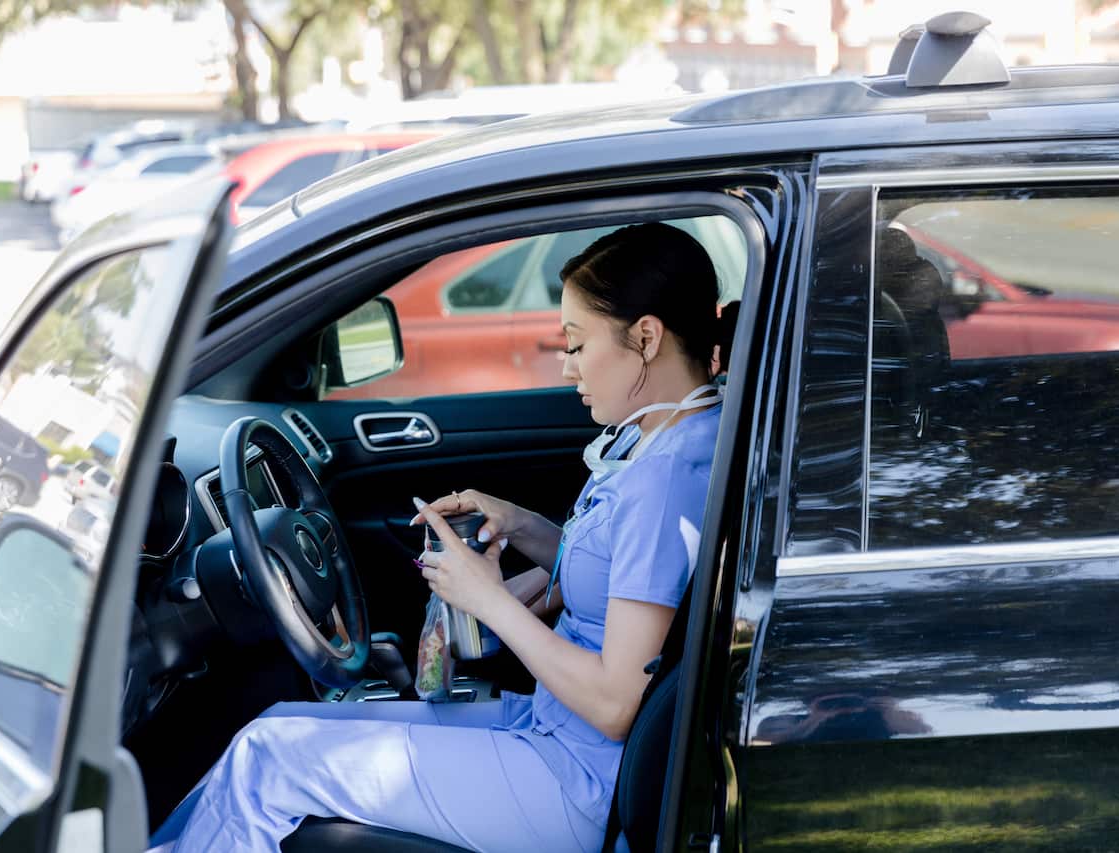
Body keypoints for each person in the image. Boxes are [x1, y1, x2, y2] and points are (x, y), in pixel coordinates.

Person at [147, 221, 736, 853]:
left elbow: (618, 703)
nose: (566, 367)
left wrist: (490, 601)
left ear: (645, 336)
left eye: (576, 343)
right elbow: (616, 573)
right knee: (277, 724)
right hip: (550, 730)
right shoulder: (664, 439)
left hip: (578, 779)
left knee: (268, 762)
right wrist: (520, 523)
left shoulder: (667, 476)